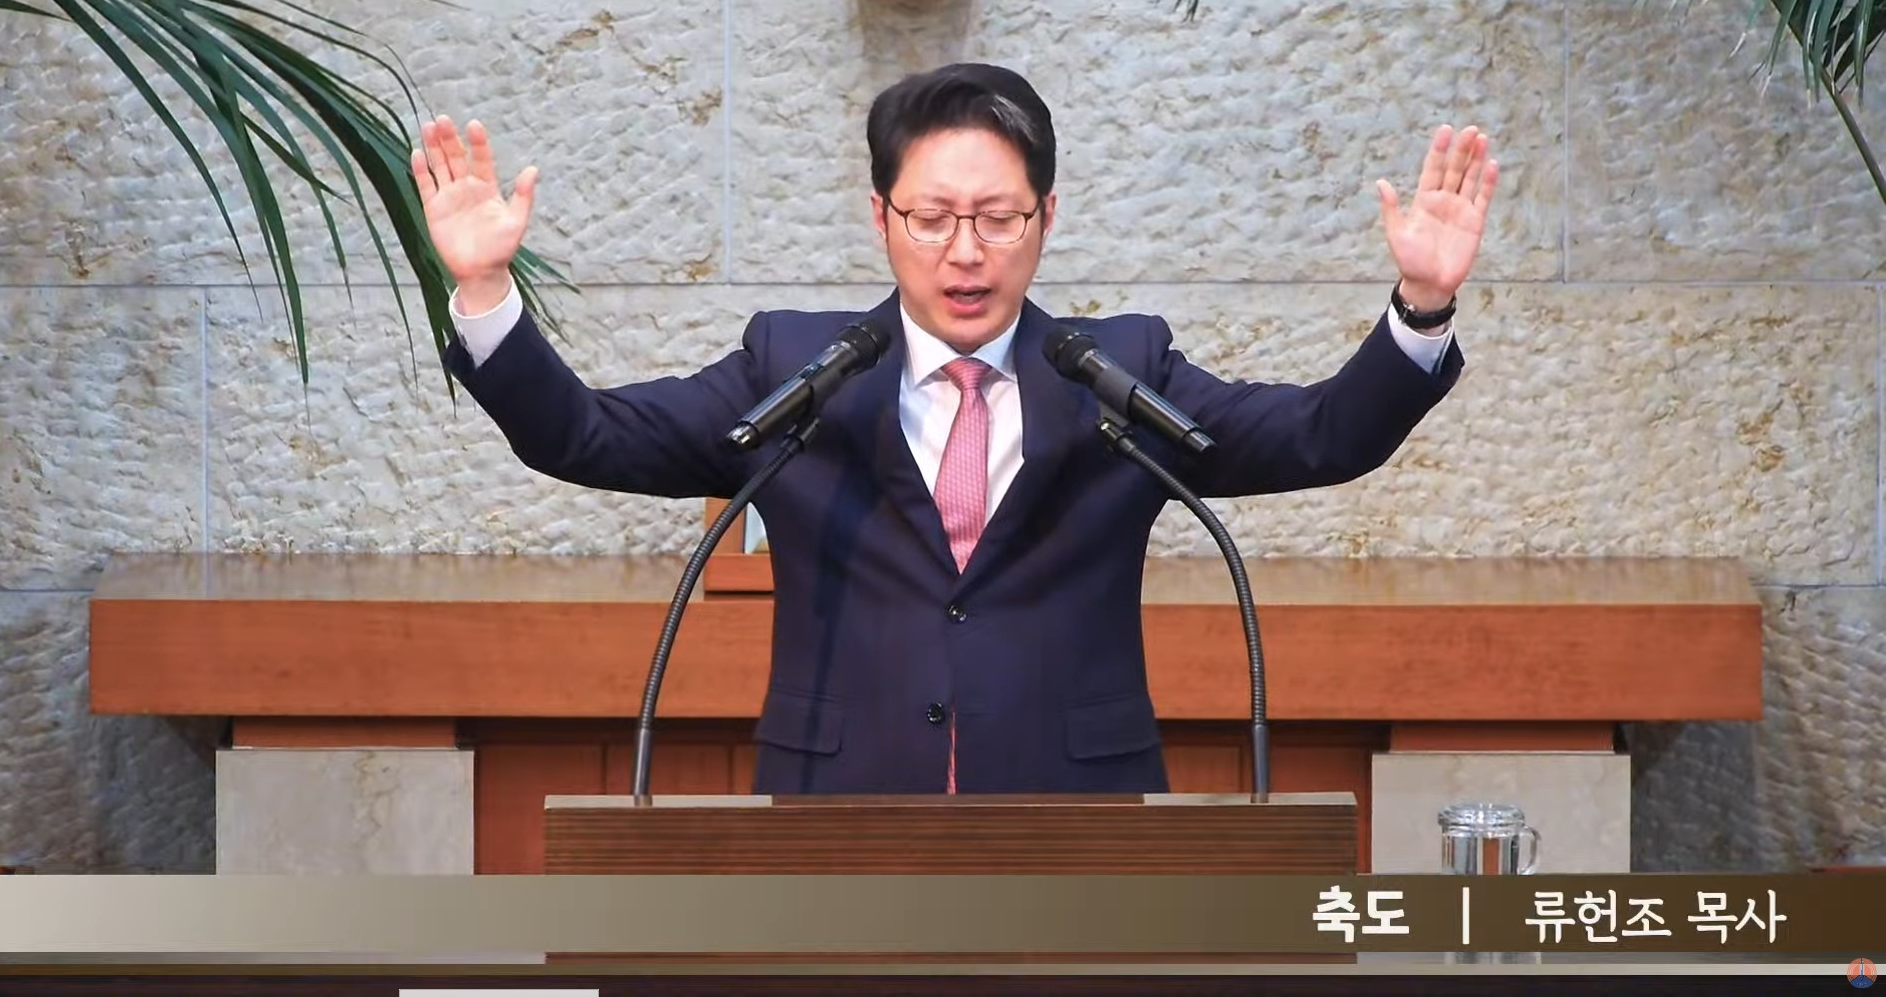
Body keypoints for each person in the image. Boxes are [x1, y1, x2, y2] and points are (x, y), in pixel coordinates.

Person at [410, 62, 1496, 796]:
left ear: (1047, 218)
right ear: (880, 218)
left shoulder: (1120, 371)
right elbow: (588, 436)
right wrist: (487, 291)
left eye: (998, 217)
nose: (965, 251)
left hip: (1075, 813)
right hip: (839, 811)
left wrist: (1422, 305)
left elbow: (1318, 435)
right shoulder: (797, 370)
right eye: (931, 218)